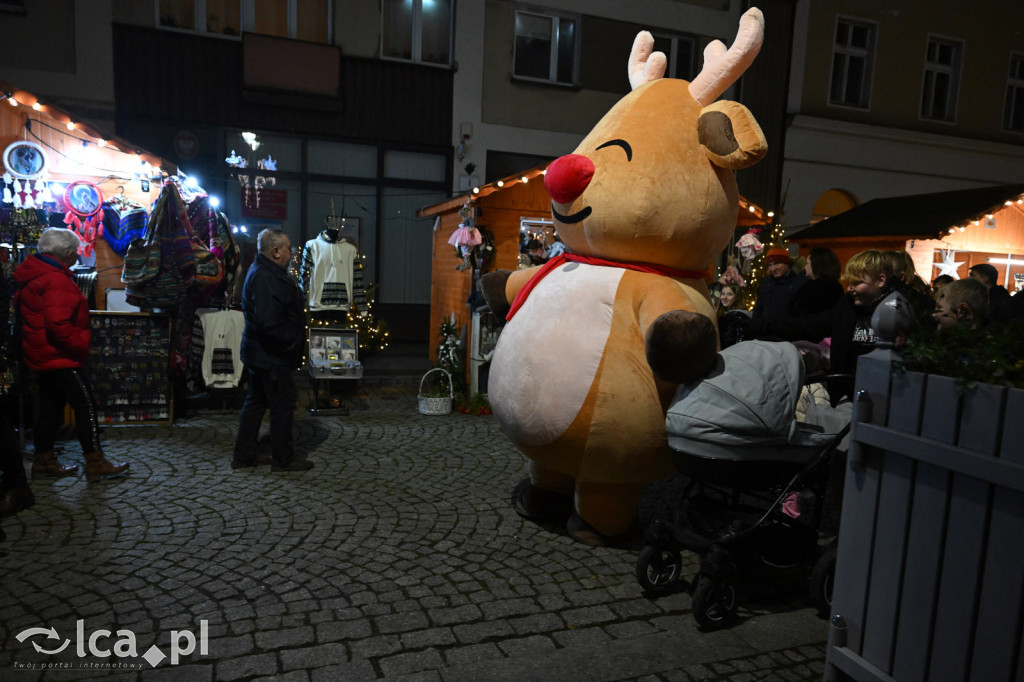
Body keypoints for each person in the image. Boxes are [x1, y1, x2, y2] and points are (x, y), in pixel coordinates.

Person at [13, 228, 129, 482]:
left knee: (51, 406)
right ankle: (95, 461)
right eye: (75, 251)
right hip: (60, 356)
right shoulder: (56, 280)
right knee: (85, 405)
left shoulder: (35, 275)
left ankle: (43, 460)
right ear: (67, 254)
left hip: (42, 354)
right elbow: (58, 325)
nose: (77, 255)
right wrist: (80, 347)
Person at [232, 228, 312, 471]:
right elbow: (269, 323)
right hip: (271, 356)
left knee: (256, 401)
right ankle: (283, 459)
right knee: (283, 404)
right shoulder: (266, 277)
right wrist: (290, 344)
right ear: (276, 252)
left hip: (262, 353)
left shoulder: (264, 271)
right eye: (288, 249)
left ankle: (244, 455)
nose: (292, 253)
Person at [750, 246, 807, 340]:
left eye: (777, 264)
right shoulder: (766, 283)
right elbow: (758, 309)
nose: (773, 269)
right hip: (766, 335)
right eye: (770, 265)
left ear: (786, 263)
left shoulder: (799, 282)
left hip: (790, 337)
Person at [789, 247, 845, 320]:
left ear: (817, 265)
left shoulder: (828, 288)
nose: (805, 267)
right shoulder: (809, 285)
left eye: (807, 264)